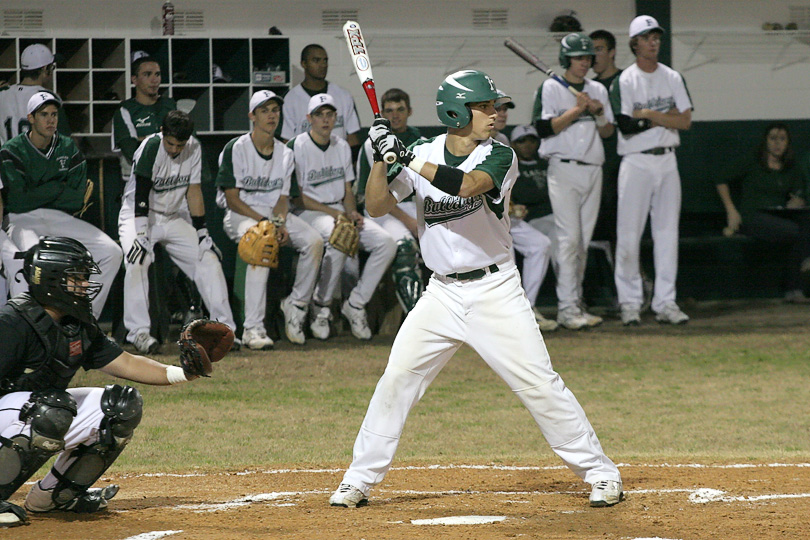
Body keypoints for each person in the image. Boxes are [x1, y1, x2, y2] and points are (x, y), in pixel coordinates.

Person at [329, 69, 623, 509]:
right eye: (485, 106)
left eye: (494, 105)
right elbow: (376, 205)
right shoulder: (423, 152)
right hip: (441, 294)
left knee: (540, 384)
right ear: (456, 111)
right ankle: (359, 479)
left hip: (496, 290)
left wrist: (404, 156)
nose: (495, 112)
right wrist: (379, 157)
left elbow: (466, 186)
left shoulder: (500, 155)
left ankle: (601, 473)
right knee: (397, 380)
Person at [0, 237, 216, 527]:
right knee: (50, 411)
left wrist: (184, 372)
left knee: (120, 406)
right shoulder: (11, 323)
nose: (84, 285)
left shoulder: (76, 324)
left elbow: (127, 362)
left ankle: (55, 496)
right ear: (51, 281)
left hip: (23, 415)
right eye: (76, 278)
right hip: (17, 415)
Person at [118, 110, 237, 353]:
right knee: (138, 259)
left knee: (208, 258)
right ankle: (139, 333)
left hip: (172, 217)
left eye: (179, 144)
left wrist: (202, 231)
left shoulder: (193, 147)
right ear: (163, 133)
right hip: (138, 214)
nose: (174, 149)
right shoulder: (151, 146)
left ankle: (223, 331)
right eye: (170, 143)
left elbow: (194, 191)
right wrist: (140, 235)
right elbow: (141, 192)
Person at [217, 90, 324, 347]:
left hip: (271, 216)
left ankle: (296, 304)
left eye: (275, 110)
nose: (271, 115)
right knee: (261, 243)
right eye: (264, 110)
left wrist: (277, 224)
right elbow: (232, 199)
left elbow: (282, 198)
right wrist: (267, 226)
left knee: (314, 240)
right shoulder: (237, 147)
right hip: (239, 215)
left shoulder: (285, 153)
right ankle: (253, 329)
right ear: (252, 116)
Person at [1, 92, 122, 318]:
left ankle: (85, 323)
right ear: (31, 117)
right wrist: (57, 187)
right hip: (21, 219)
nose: (50, 120)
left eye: (54, 114)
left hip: (60, 217)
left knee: (111, 252)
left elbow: (76, 199)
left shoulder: (67, 147)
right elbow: (17, 201)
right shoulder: (12, 149)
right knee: (33, 260)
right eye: (44, 114)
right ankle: (35, 328)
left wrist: (37, 190)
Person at [288, 94, 395, 340]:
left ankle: (355, 304)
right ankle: (321, 307)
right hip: (308, 211)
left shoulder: (342, 145)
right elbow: (296, 197)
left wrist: (351, 212)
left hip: (337, 210)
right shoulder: (297, 145)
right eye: (319, 115)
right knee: (339, 237)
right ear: (309, 119)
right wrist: (337, 215)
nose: (325, 120)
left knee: (385, 243)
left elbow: (347, 190)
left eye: (329, 114)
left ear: (336, 117)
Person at [609, 15, 693, 326]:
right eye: (646, 37)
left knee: (668, 233)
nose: (653, 41)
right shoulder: (625, 80)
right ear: (634, 43)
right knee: (629, 234)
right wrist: (662, 116)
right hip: (636, 160)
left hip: (667, 159)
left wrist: (648, 114)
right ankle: (630, 302)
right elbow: (627, 126)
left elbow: (684, 121)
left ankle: (665, 302)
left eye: (656, 36)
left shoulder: (672, 76)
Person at [531, 33, 614, 330]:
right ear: (567, 60)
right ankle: (566, 309)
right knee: (568, 240)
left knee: (583, 242)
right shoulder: (551, 88)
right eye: (579, 58)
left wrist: (598, 112)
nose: (584, 63)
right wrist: (577, 110)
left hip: (593, 168)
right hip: (563, 169)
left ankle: (575, 303)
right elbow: (542, 128)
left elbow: (607, 133)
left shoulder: (598, 90)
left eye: (588, 58)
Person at [716, 122, 810, 302]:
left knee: (805, 221)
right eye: (773, 138)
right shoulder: (753, 161)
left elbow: (799, 192)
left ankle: (795, 286)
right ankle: (796, 282)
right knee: (795, 232)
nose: (777, 144)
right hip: (753, 216)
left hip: (779, 216)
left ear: (788, 143)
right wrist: (731, 210)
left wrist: (796, 200)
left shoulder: (790, 166)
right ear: (765, 141)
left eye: (782, 139)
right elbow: (721, 178)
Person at [355, 88, 424, 314]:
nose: (395, 115)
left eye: (400, 110)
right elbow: (371, 197)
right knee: (404, 245)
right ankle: (416, 316)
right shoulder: (372, 144)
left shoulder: (422, 142)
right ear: (382, 113)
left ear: (410, 111)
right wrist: (410, 222)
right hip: (382, 212)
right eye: (389, 111)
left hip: (416, 206)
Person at [508, 125, 558, 332]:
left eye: (531, 140)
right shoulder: (477, 142)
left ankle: (527, 307)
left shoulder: (546, 163)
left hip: (508, 215)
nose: (528, 145)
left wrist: (510, 207)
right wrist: (512, 206)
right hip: (488, 215)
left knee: (541, 244)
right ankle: (508, 315)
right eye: (522, 141)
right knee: (505, 258)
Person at [281, 44, 362, 153]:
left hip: (337, 162)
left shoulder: (343, 95)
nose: (322, 65)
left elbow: (352, 137)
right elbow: (286, 140)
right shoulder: (291, 99)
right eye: (316, 60)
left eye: (325, 61)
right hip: (306, 163)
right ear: (304, 64)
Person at [112, 53, 177, 179]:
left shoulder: (171, 106)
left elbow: (187, 144)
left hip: (172, 180)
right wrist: (166, 139)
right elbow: (132, 151)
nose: (154, 80)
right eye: (147, 74)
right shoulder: (125, 110)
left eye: (157, 74)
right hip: (138, 182)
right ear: (134, 79)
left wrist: (143, 139)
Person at [0, 43, 71, 145]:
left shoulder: (3, 93)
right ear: (45, 68)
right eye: (51, 67)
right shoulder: (49, 98)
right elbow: (64, 141)